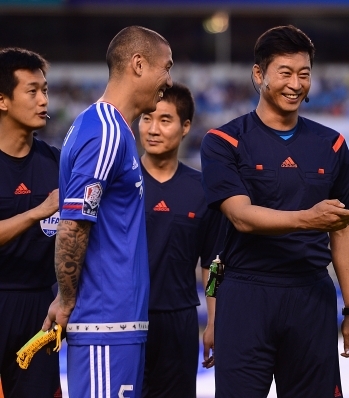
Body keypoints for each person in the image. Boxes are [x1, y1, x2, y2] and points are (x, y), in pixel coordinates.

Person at [200, 25, 349, 398]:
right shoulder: (223, 142)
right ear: (259, 74)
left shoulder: (333, 144)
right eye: (285, 73)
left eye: (304, 74)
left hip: (311, 295)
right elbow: (239, 219)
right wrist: (309, 219)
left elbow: (344, 230)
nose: (296, 84)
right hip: (245, 295)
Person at [42, 26, 173, 397]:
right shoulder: (106, 132)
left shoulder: (112, 130)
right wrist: (67, 300)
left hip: (117, 325)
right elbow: (72, 226)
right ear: (138, 64)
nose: (168, 80)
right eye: (166, 67)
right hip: (103, 324)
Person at [139, 83, 224, 398]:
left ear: (185, 126)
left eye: (165, 120)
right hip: (126, 317)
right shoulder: (121, 182)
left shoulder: (202, 189)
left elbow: (212, 263)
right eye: (147, 118)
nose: (153, 129)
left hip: (181, 321)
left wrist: (214, 319)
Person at [0, 47, 61, 398]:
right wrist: (37, 212)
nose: (43, 100)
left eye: (46, 90)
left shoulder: (57, 163)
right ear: (3, 101)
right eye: (32, 91)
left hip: (41, 308)